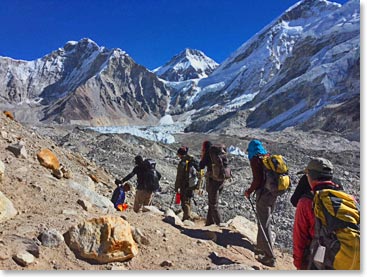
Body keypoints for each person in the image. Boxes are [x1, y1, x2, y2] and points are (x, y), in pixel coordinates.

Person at [292, 157, 343, 270]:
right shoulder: (347, 199)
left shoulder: (306, 202)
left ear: (311, 176)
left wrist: (299, 263)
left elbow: (299, 237)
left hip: (318, 259)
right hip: (344, 257)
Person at [244, 139, 277, 267]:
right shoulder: (267, 158)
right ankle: (260, 247)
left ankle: (270, 257)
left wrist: (249, 191)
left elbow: (257, 180)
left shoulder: (255, 160)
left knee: (264, 224)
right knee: (264, 221)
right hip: (273, 194)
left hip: (263, 194)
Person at [199, 140, 225, 226]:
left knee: (213, 204)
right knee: (212, 201)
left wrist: (202, 156)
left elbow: (201, 166)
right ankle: (209, 222)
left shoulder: (208, 154)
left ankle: (220, 224)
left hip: (213, 180)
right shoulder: (218, 154)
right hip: (221, 180)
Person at [174, 146, 199, 221]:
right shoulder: (190, 161)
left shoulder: (183, 163)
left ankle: (186, 218)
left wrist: (176, 186)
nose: (178, 156)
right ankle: (187, 215)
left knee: (184, 201)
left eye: (178, 154)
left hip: (184, 184)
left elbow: (179, 177)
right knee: (188, 199)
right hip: (191, 184)